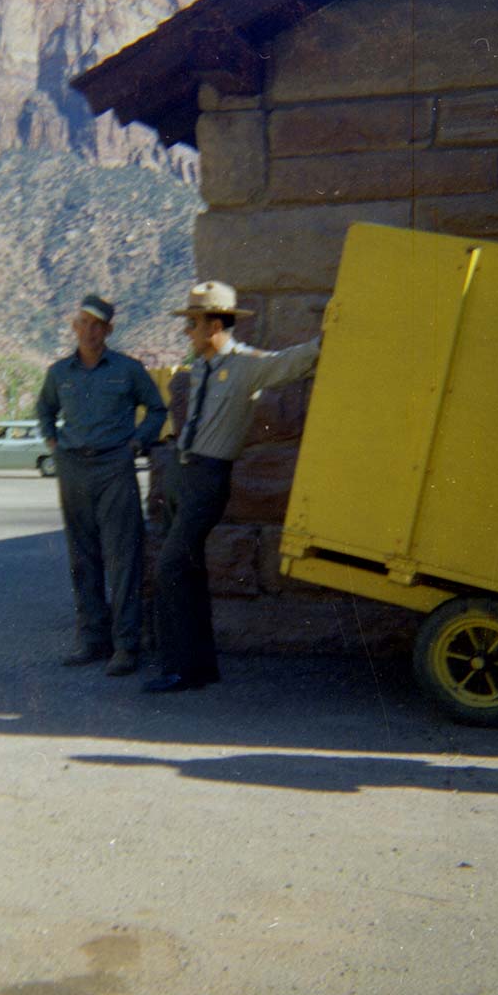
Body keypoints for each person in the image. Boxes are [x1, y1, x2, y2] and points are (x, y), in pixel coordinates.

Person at [143, 280, 320, 694]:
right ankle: (200, 668)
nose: (187, 331)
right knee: (187, 570)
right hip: (182, 474)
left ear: (214, 325)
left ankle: (179, 669)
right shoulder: (201, 366)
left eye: (193, 323)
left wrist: (327, 336)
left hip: (208, 477)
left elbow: (292, 362)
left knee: (171, 568)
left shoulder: (245, 365)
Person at [37, 294, 167, 675]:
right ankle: (92, 640)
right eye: (84, 323)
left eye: (98, 325)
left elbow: (156, 408)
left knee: (122, 558)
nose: (90, 331)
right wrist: (52, 443)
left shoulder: (127, 369)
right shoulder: (59, 373)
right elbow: (45, 409)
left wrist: (137, 442)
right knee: (82, 558)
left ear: (109, 330)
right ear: (74, 327)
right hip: (74, 467)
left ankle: (126, 646)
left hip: (115, 468)